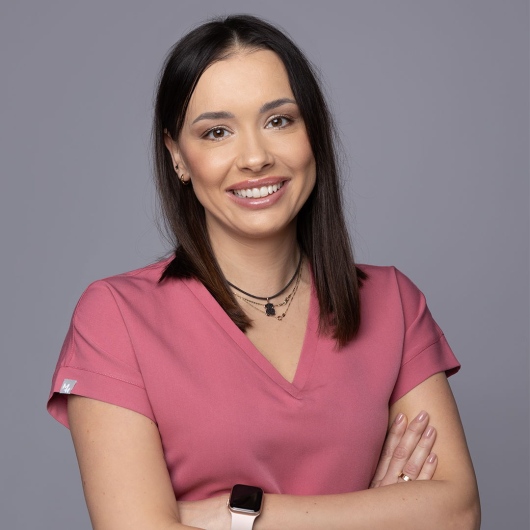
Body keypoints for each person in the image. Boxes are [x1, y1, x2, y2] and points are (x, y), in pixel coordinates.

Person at [47, 14, 480, 530]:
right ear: (178, 156)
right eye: (217, 132)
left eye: (279, 121)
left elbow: (457, 513)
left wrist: (241, 514)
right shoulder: (115, 317)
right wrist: (377, 514)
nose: (254, 157)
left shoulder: (394, 304)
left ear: (313, 132)